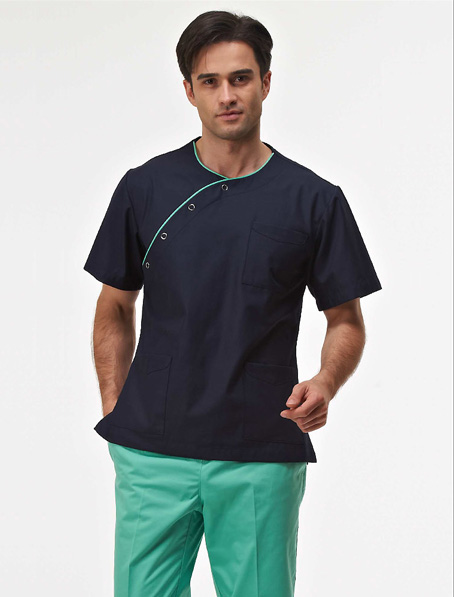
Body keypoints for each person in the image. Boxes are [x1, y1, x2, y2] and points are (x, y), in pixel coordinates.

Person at [83, 10, 382, 597]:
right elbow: (114, 304)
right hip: (151, 453)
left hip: (260, 453)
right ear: (189, 90)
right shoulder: (145, 188)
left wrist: (325, 382)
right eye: (211, 81)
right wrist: (117, 412)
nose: (227, 96)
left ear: (265, 83)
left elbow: (345, 319)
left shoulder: (314, 200)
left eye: (241, 78)